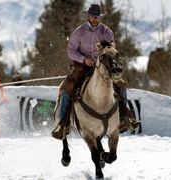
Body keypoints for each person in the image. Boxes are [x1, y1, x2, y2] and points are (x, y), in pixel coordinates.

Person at [51, 4, 139, 140]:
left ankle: (125, 118)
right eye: (92, 17)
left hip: (103, 65)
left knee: (120, 85)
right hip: (82, 65)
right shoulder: (79, 32)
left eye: (97, 17)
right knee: (67, 87)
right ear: (88, 16)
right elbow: (71, 51)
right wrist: (84, 59)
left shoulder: (107, 32)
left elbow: (110, 49)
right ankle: (62, 124)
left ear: (100, 18)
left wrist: (102, 59)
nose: (95, 19)